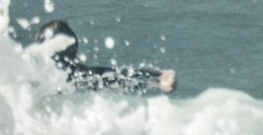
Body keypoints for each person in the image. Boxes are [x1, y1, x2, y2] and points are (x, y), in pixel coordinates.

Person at [40, 18, 177, 96]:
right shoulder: (81, 77)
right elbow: (122, 77)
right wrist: (157, 78)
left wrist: (158, 78)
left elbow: (119, 76)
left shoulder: (76, 76)